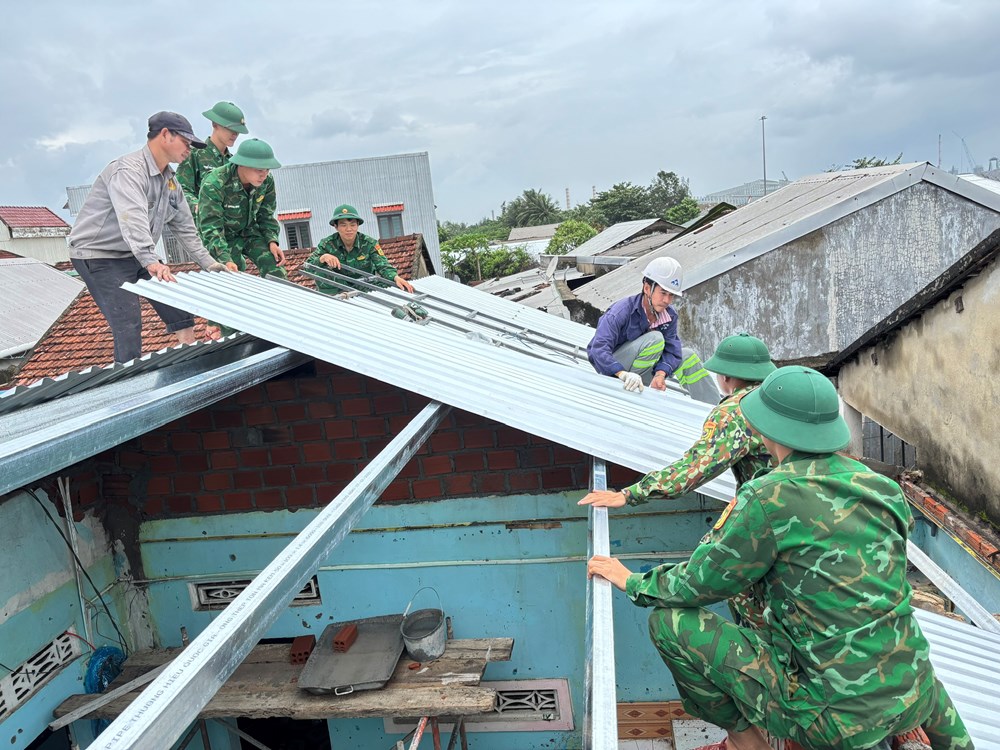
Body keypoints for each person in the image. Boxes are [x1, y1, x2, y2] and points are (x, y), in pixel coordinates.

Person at [587, 366, 973, 750]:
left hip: (833, 719)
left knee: (669, 622)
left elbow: (697, 584)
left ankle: (745, 743)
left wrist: (632, 581)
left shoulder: (766, 496)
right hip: (917, 688)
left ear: (767, 429)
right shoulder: (883, 488)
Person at [68, 111, 229, 364]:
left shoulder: (170, 181)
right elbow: (132, 218)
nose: (189, 149)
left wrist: (210, 264)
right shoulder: (128, 171)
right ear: (165, 135)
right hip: (100, 256)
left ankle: (192, 361)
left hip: (137, 254)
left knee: (176, 302)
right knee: (128, 321)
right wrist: (150, 260)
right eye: (186, 142)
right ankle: (128, 382)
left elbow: (185, 227)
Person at [579, 333, 775, 509]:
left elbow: (695, 468)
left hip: (773, 510)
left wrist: (630, 494)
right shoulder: (781, 398)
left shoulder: (735, 411)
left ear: (725, 376)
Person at [587, 257, 717, 402]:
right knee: (655, 339)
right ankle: (632, 388)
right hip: (615, 372)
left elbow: (672, 351)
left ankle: (716, 409)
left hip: (642, 373)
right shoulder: (621, 312)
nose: (667, 300)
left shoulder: (669, 315)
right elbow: (597, 350)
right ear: (647, 288)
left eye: (671, 295)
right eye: (663, 293)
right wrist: (622, 374)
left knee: (687, 356)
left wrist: (660, 375)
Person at [197, 138, 287, 279]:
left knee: (274, 265)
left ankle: (281, 299)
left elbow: (266, 216)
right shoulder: (214, 183)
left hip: (250, 231)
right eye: (259, 170)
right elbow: (211, 227)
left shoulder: (266, 182)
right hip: (222, 237)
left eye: (267, 169)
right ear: (242, 165)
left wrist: (272, 241)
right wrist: (225, 258)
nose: (264, 175)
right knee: (232, 275)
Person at [307, 204, 415, 294]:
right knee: (322, 273)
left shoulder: (369, 243)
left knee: (391, 286)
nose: (349, 229)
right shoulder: (327, 244)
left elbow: (383, 265)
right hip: (339, 289)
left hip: (365, 285)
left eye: (352, 225)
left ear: (358, 225)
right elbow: (308, 267)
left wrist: (395, 277)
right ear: (336, 226)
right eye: (343, 225)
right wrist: (323, 258)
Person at [175, 101, 248, 220]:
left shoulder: (233, 163)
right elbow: (181, 190)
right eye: (230, 129)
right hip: (203, 230)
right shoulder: (194, 155)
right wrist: (200, 206)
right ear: (215, 124)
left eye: (238, 131)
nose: (235, 134)